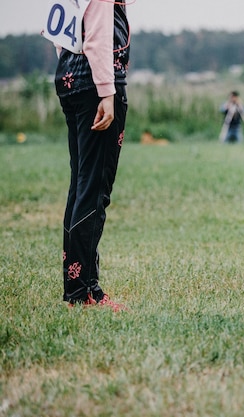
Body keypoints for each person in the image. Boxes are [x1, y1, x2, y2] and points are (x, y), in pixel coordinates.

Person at [53, 0, 131, 311]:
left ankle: (77, 286)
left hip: (70, 78)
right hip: (96, 84)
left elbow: (62, 37)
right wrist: (107, 92)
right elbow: (98, 36)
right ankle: (83, 292)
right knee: (94, 191)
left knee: (81, 188)